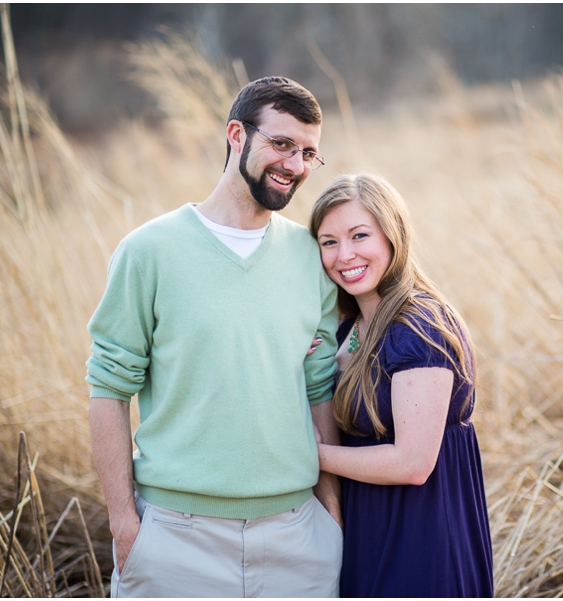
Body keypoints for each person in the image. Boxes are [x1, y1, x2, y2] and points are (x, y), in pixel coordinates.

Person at [86, 76, 343, 598]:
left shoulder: (310, 256)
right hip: (176, 541)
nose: (294, 164)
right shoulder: (149, 251)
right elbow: (109, 388)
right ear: (235, 134)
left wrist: (330, 521)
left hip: (296, 539)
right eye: (281, 144)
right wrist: (123, 525)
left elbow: (320, 390)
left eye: (309, 153)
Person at [309, 173, 494, 597]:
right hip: (369, 533)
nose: (345, 255)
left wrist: (306, 456)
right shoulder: (348, 328)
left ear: (394, 235)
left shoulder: (419, 327)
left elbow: (413, 463)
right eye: (329, 241)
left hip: (422, 541)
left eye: (359, 235)